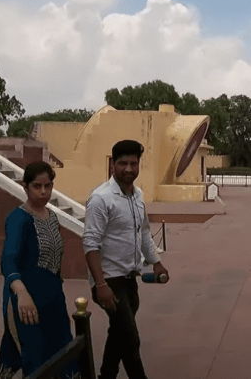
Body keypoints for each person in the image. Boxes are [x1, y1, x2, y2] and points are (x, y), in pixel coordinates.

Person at [84, 140, 168, 379]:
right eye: (123, 163)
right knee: (131, 341)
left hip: (130, 280)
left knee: (119, 336)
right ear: (113, 165)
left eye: (133, 163)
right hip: (109, 281)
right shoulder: (101, 199)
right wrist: (100, 285)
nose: (129, 169)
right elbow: (90, 243)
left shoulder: (137, 195)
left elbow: (143, 231)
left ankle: (106, 376)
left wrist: (156, 261)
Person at [0, 161, 79, 378]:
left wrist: (59, 302)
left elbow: (54, 265)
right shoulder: (18, 218)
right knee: (34, 358)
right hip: (26, 302)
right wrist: (21, 293)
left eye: (48, 186)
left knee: (63, 354)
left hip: (52, 298)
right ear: (25, 187)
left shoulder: (52, 216)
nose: (43, 192)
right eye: (37, 186)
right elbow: (8, 261)